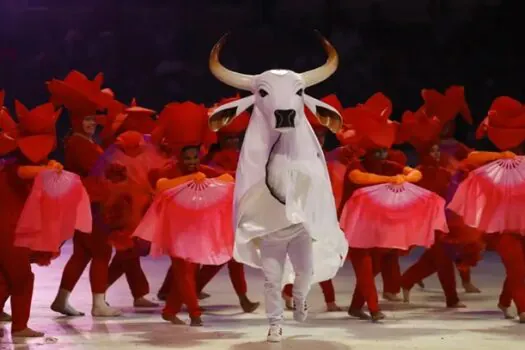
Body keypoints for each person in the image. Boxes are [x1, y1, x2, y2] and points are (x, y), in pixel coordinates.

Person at [47, 70, 123, 317]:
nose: (91, 123)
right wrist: (118, 169)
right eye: (86, 119)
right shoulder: (79, 143)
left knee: (82, 253)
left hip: (89, 203)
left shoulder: (84, 141)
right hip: (91, 205)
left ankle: (61, 299)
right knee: (101, 251)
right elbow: (99, 168)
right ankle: (99, 304)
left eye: (93, 119)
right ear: (77, 121)